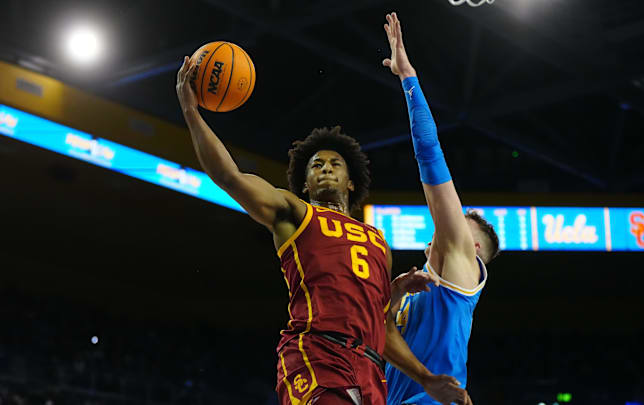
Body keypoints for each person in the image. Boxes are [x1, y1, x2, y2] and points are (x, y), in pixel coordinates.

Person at [175, 29, 468, 404]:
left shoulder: (378, 242)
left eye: (334, 164)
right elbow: (229, 176)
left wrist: (425, 378)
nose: (325, 169)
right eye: (316, 166)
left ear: (350, 182)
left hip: (370, 367)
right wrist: (190, 112)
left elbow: (381, 326)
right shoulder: (295, 213)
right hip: (316, 354)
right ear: (306, 183)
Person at [380, 12, 501, 405]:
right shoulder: (416, 290)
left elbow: (430, 156)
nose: (447, 226)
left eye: (459, 225)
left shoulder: (462, 267)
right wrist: (394, 296)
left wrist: (407, 77)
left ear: (475, 251)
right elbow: (377, 336)